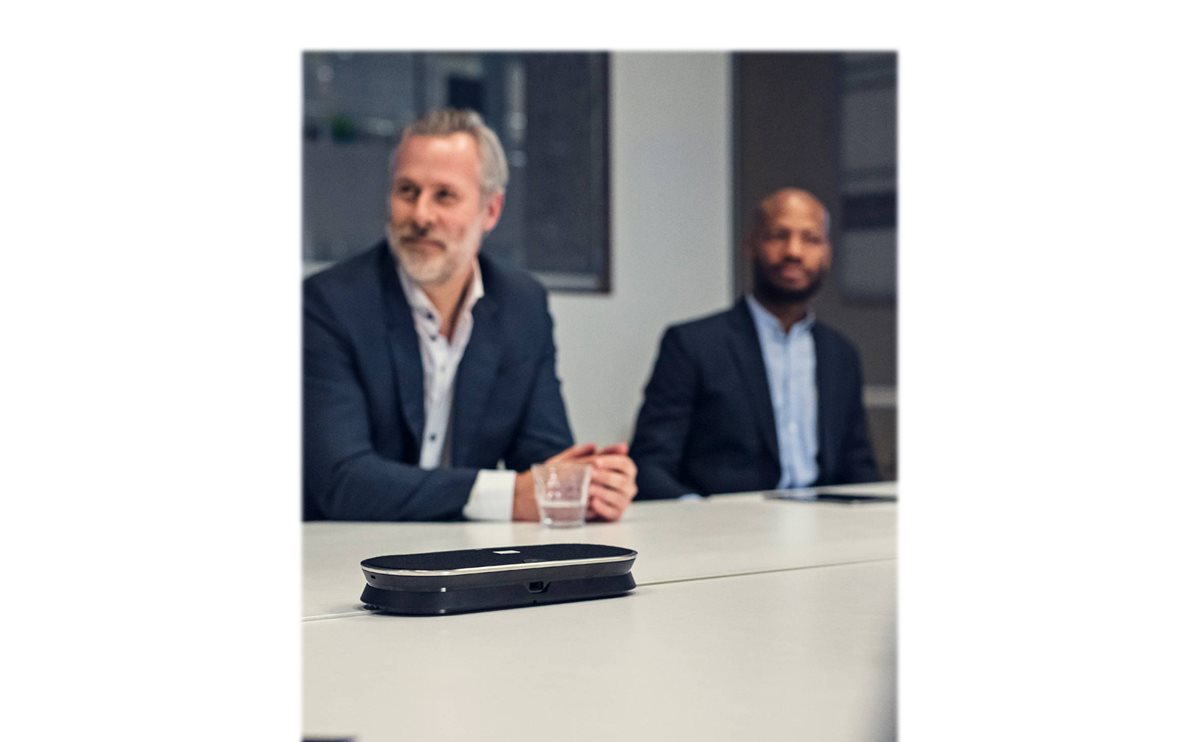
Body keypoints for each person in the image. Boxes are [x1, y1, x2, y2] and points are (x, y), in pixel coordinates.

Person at [304, 108, 637, 521]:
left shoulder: (521, 305)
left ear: (491, 210)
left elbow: (542, 458)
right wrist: (506, 496)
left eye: (444, 195)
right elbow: (342, 481)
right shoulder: (330, 304)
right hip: (345, 550)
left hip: (469, 548)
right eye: (407, 191)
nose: (421, 215)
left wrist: (591, 483)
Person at [629, 188, 880, 499]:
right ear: (751, 245)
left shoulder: (840, 354)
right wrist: (697, 514)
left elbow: (860, 469)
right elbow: (650, 465)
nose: (794, 251)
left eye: (811, 239)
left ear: (827, 253)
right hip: (724, 521)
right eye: (778, 235)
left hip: (825, 520)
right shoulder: (692, 345)